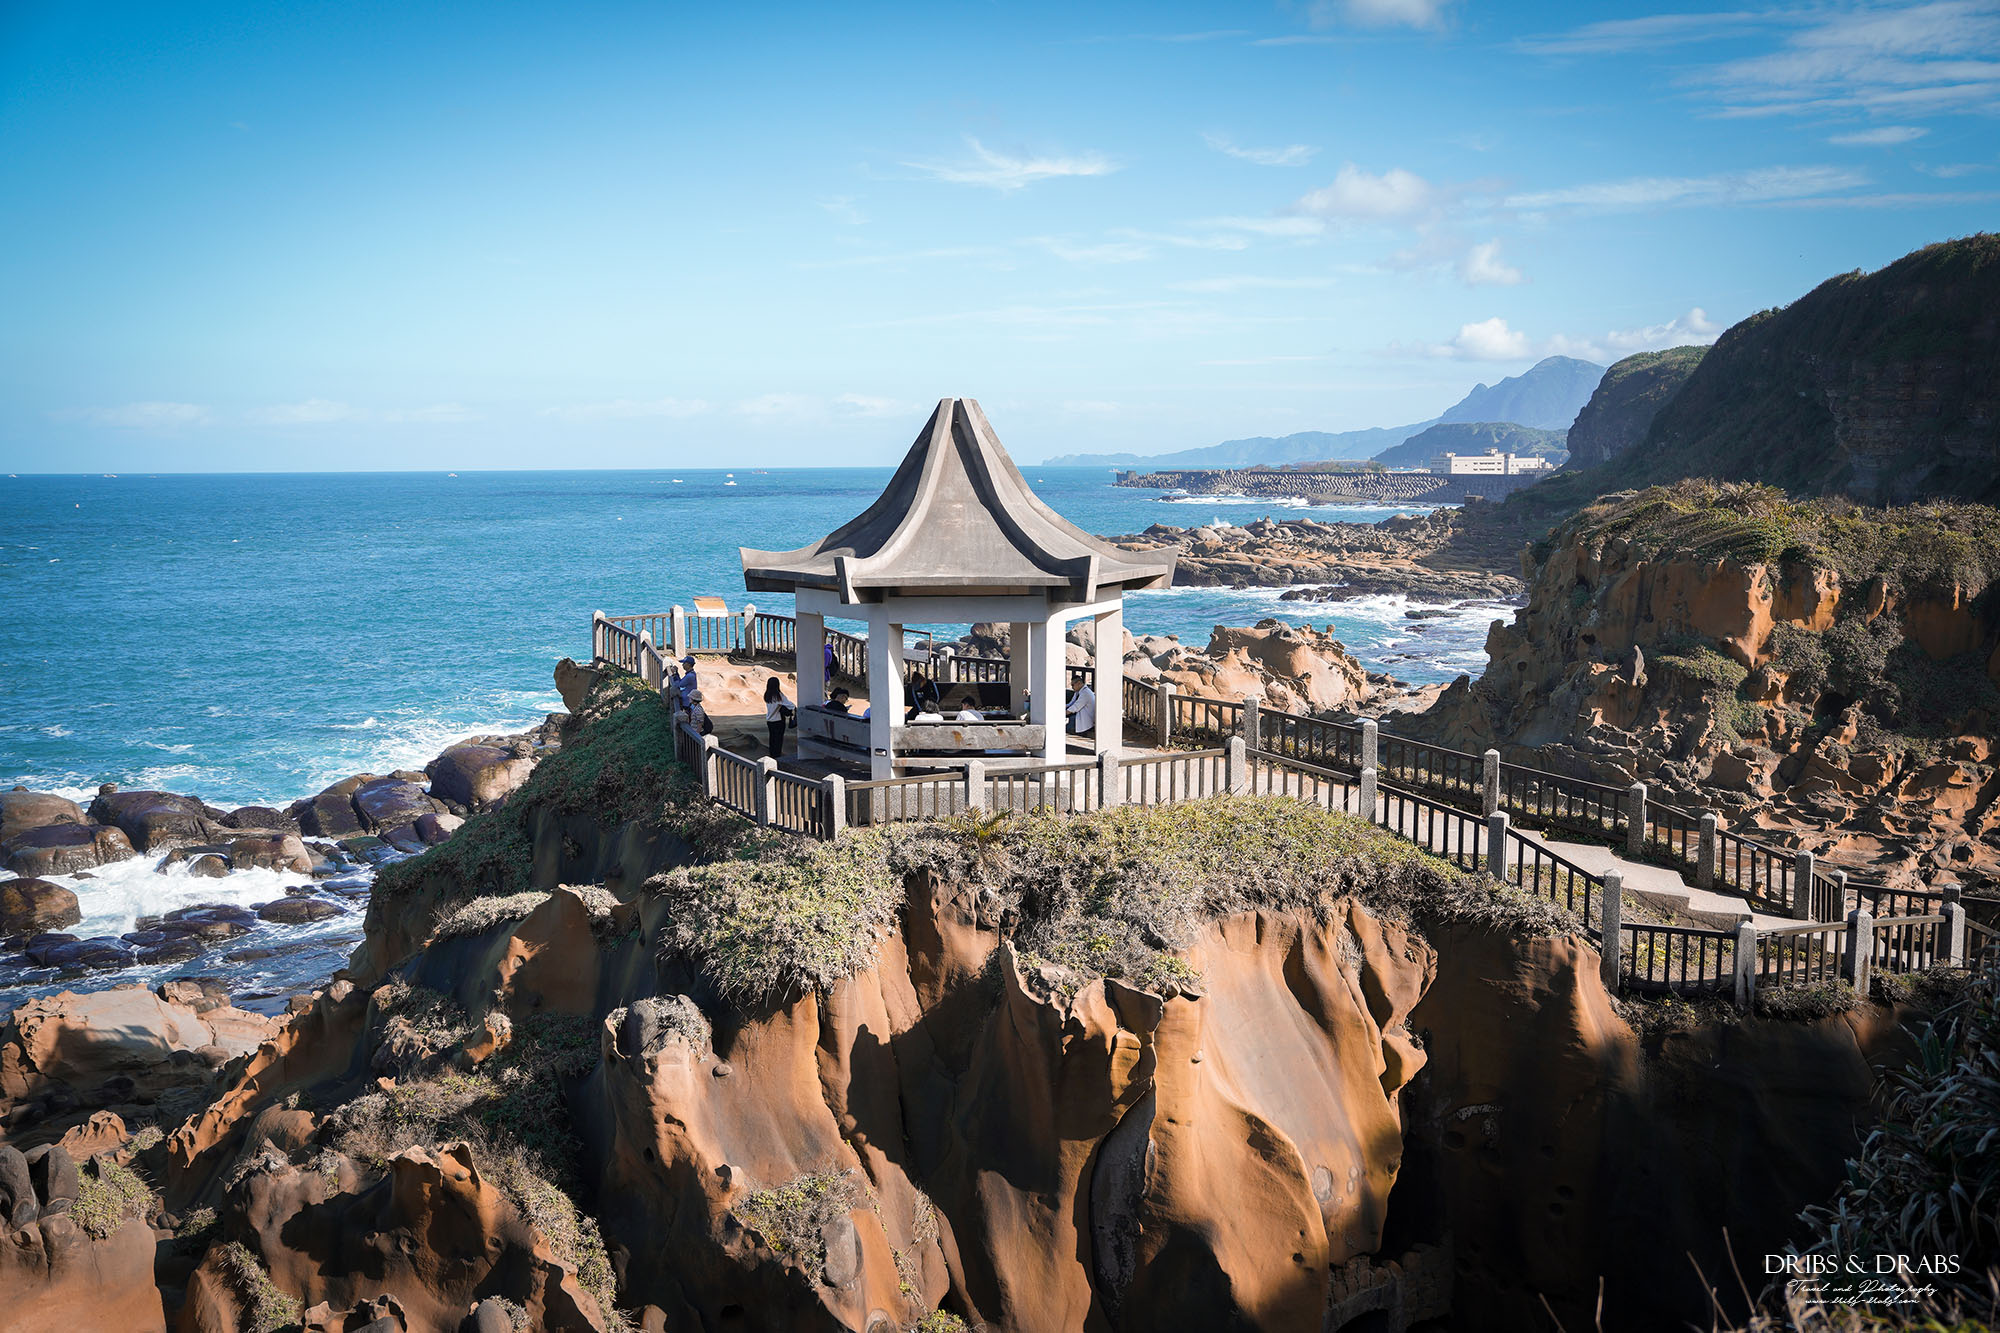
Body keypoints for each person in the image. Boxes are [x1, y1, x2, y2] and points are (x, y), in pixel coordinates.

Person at [763, 677, 794, 758]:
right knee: (778, 740)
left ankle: (772, 756)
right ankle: (777, 757)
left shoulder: (767, 695)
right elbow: (791, 706)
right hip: (778, 721)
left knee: (772, 739)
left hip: (769, 720)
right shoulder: (778, 696)